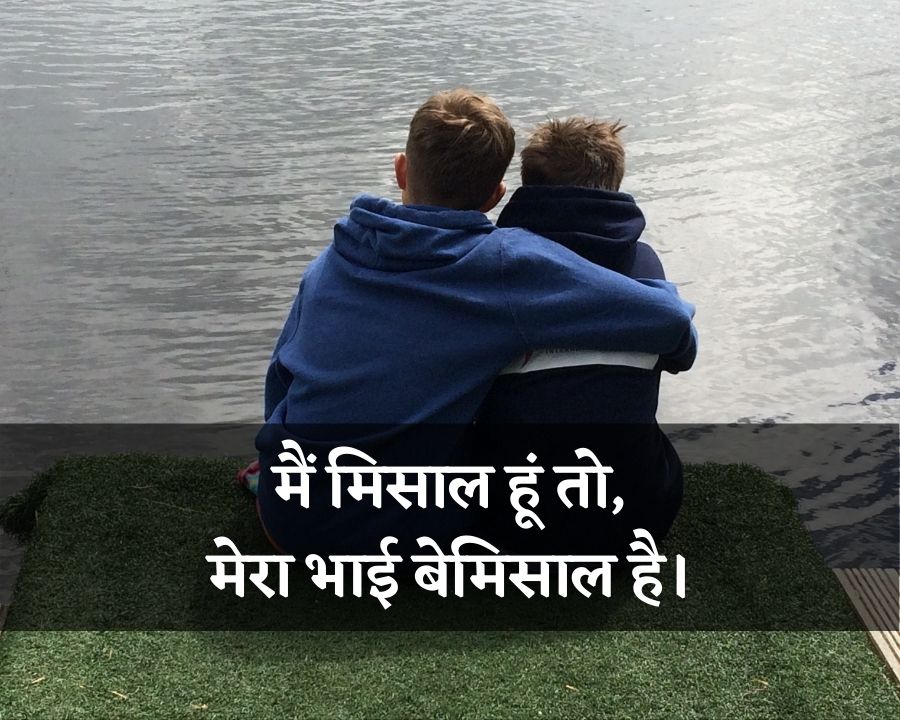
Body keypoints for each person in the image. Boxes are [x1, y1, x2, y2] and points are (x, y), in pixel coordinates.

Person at [250, 92, 698, 557]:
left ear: (401, 170)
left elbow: (280, 381)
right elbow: (666, 320)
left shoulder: (331, 261)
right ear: (495, 196)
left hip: (285, 517)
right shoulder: (503, 266)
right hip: (395, 539)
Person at [475, 117, 696, 555]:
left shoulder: (489, 270)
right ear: (613, 187)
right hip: (638, 520)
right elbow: (682, 356)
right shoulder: (644, 267)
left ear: (528, 187)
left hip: (510, 523)